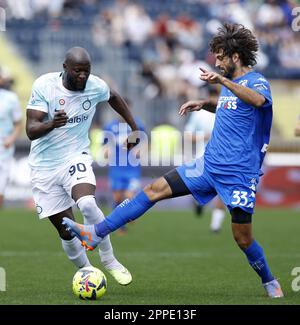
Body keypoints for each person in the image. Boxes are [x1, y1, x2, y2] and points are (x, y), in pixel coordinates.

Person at [63, 25, 284, 298]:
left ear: (235, 57)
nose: (216, 62)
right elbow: (232, 106)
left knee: (242, 238)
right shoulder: (228, 87)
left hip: (239, 173)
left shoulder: (256, 82)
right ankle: (96, 233)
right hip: (208, 165)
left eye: (220, 57)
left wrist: (223, 83)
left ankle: (269, 280)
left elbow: (258, 101)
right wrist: (205, 103)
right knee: (153, 190)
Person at [26, 46, 139, 285]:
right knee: (66, 231)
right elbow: (31, 130)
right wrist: (51, 124)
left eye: (86, 71)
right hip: (44, 168)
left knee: (87, 204)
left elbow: (115, 97)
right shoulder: (44, 86)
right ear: (65, 67)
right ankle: (88, 272)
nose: (82, 76)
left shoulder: (95, 85)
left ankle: (109, 260)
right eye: (78, 71)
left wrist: (134, 127)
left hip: (75, 156)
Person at [184, 90, 226, 233]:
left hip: (224, 158)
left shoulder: (226, 111)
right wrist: (206, 136)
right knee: (204, 188)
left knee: (222, 191)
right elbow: (188, 136)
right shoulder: (201, 113)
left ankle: (215, 226)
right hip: (204, 157)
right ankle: (199, 202)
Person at [103, 107, 145, 234]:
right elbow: (104, 144)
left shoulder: (137, 125)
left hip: (132, 167)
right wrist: (106, 151)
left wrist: (141, 149)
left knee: (129, 196)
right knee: (117, 198)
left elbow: (145, 141)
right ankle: (121, 226)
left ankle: (127, 217)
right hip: (116, 167)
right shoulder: (110, 127)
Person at [0, 70, 22, 208]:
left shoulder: (11, 98)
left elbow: (18, 123)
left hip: (4, 145)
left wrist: (11, 139)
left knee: (1, 185)